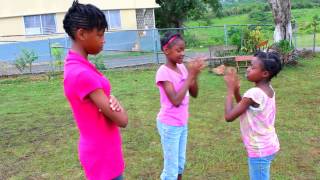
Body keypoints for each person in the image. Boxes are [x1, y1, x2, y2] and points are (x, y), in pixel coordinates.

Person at [63, 1, 128, 179]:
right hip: (102, 156)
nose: (104, 40)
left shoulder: (77, 65)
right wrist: (117, 103)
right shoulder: (82, 74)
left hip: (104, 150)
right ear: (81, 34)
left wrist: (110, 98)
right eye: (99, 35)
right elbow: (122, 120)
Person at [224, 51, 282, 180]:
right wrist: (236, 91)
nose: (248, 69)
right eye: (250, 65)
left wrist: (229, 90)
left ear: (265, 73)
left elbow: (229, 116)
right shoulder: (268, 90)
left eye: (253, 67)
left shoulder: (254, 93)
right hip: (268, 144)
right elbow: (245, 108)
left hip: (259, 149)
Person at [155, 32, 206, 180]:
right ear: (166, 50)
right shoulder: (163, 73)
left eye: (184, 50)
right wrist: (190, 76)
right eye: (179, 50)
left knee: (179, 165)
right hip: (169, 125)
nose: (182, 53)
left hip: (182, 123)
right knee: (170, 169)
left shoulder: (183, 68)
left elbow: (194, 93)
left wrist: (194, 75)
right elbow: (175, 100)